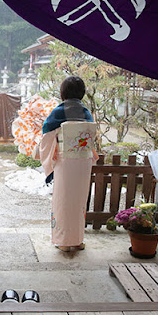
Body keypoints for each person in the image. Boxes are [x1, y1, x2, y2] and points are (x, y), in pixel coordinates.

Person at [39, 76, 95, 252]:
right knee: (79, 201)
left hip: (66, 162)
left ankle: (63, 241)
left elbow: (46, 131)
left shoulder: (59, 111)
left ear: (63, 93)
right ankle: (77, 240)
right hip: (83, 162)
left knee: (64, 200)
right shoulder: (86, 112)